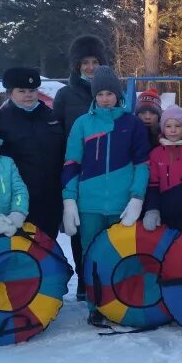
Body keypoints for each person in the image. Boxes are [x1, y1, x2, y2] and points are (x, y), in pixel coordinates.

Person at [61, 66, 151, 325]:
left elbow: (142, 164)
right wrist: (69, 200)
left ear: (118, 94)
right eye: (100, 93)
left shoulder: (131, 124)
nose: (105, 98)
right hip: (89, 205)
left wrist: (137, 198)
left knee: (122, 256)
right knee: (92, 256)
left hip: (122, 205)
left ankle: (122, 302)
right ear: (94, 95)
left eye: (109, 93)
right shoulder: (82, 124)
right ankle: (95, 306)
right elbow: (71, 163)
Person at [53, 34, 108, 300]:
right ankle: (85, 281)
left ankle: (106, 279)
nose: (90, 67)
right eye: (84, 62)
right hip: (78, 172)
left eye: (95, 61)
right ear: (76, 65)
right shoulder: (65, 95)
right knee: (80, 228)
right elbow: (57, 133)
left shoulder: (111, 94)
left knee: (106, 226)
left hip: (109, 173)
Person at [0, 67, 65, 239]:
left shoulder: (51, 116)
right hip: (18, 202)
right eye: (22, 91)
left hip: (51, 198)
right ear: (11, 93)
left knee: (47, 248)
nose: (28, 95)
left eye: (32, 90)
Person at [142, 105, 182, 232]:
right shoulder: (155, 154)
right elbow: (153, 185)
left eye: (178, 126)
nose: (173, 130)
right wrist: (152, 209)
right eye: (168, 126)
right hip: (164, 214)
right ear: (163, 128)